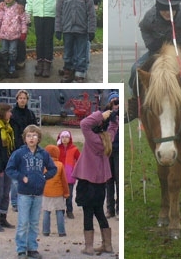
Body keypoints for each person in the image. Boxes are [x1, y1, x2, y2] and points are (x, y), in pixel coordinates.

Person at [5, 125, 57, 259]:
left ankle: (32, 248)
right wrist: (21, 177)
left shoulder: (43, 153)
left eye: (34, 135)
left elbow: (53, 169)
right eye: (28, 136)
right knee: (23, 222)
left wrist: (44, 177)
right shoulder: (19, 153)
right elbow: (10, 169)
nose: (31, 138)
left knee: (34, 223)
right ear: (25, 138)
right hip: (24, 194)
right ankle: (21, 249)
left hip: (38, 193)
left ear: (39, 138)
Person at [72, 110, 114, 256]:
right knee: (100, 212)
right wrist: (113, 118)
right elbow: (114, 126)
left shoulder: (92, 139)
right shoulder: (108, 138)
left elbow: (84, 124)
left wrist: (101, 114)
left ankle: (88, 246)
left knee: (87, 213)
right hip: (101, 182)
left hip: (87, 180)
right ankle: (107, 245)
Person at [55, 0, 97, 83]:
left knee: (81, 54)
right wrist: (58, 29)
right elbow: (59, 14)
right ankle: (68, 71)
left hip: (82, 31)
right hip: (67, 30)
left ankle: (80, 73)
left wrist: (91, 30)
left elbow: (91, 14)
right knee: (68, 53)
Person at [26, 0, 65, 78]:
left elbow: (61, 0)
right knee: (39, 40)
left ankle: (48, 64)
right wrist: (28, 13)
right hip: (38, 15)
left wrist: (60, 15)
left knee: (48, 40)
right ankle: (40, 63)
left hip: (50, 16)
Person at [9, 90, 38, 212]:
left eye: (24, 98)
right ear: (17, 99)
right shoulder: (12, 114)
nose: (22, 100)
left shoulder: (30, 114)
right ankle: (15, 201)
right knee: (16, 178)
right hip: (16, 148)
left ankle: (26, 200)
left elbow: (35, 129)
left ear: (27, 100)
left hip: (29, 148)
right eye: (20, 98)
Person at [0, 0, 28, 77]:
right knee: (4, 51)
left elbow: (23, 21)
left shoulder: (18, 8)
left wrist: (23, 32)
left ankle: (12, 65)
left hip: (14, 35)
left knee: (12, 51)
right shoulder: (2, 8)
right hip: (4, 34)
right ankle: (5, 65)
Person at [0, 103, 15, 232]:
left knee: (6, 192)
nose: (11, 114)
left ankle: (3, 217)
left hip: (8, 165)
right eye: (9, 112)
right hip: (0, 167)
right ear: (2, 112)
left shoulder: (8, 128)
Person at [41, 145, 69, 237]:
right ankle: (61, 231)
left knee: (46, 211)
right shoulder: (60, 165)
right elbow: (64, 180)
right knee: (59, 211)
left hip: (46, 192)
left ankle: (45, 231)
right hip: (58, 192)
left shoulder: (43, 165)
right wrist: (66, 192)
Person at [56, 130, 80, 219]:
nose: (65, 139)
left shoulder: (74, 149)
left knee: (69, 195)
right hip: (59, 176)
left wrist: (77, 170)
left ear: (70, 139)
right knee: (60, 194)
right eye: (63, 137)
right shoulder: (57, 149)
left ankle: (69, 210)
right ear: (60, 138)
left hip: (70, 176)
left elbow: (79, 159)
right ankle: (60, 210)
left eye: (66, 137)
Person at [104, 92, 120, 218]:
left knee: (118, 179)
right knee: (109, 180)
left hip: (119, 150)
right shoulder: (106, 116)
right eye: (113, 102)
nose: (116, 104)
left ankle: (119, 208)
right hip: (108, 151)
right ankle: (110, 209)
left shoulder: (121, 115)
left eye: (117, 101)